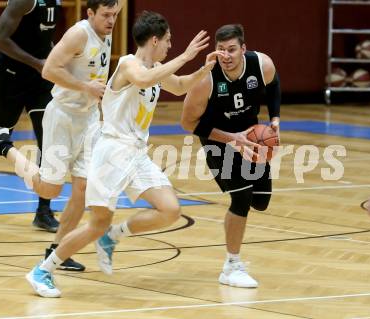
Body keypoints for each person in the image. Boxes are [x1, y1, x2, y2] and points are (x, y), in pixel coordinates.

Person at [25, 10, 222, 298]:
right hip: (112, 152)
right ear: (154, 40)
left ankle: (113, 236)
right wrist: (186, 56)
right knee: (96, 223)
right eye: (168, 41)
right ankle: (43, 270)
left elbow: (179, 86)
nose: (170, 46)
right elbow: (142, 80)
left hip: (136, 154)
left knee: (170, 209)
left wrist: (204, 69)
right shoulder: (130, 64)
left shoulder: (155, 68)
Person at [0, 0, 125, 272]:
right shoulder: (78, 33)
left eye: (115, 15)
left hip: (87, 119)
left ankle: (56, 253)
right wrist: (85, 87)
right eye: (106, 15)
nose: (111, 21)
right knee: (50, 188)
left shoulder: (105, 36)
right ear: (90, 13)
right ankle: (4, 146)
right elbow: (49, 70)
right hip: (62, 117)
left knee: (83, 189)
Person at [181, 24, 281, 288]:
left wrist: (274, 118)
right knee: (242, 196)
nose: (226, 55)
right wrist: (230, 138)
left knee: (260, 202)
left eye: (232, 50)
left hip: (250, 136)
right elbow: (188, 123)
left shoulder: (261, 64)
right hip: (217, 139)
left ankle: (232, 256)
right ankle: (231, 265)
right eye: (221, 50)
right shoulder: (206, 79)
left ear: (243, 50)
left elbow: (274, 84)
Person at [0, 0, 62, 232]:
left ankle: (43, 211)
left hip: (40, 79)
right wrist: (37, 62)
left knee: (48, 138)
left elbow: (43, 37)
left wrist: (55, 57)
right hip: (11, 75)